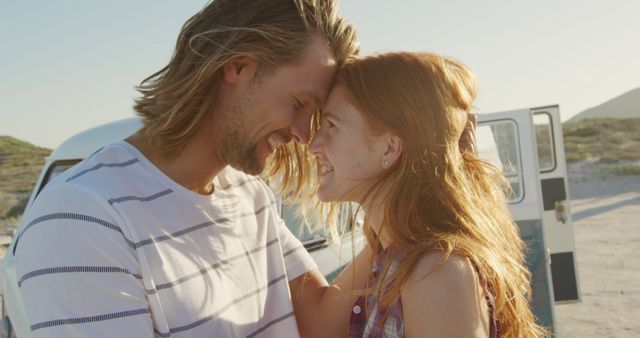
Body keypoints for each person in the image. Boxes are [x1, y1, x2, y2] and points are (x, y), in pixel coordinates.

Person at [14, 0, 362, 337]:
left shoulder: (250, 196)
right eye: (299, 103)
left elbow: (321, 325)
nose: (302, 134)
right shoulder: (82, 216)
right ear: (237, 65)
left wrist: (396, 209)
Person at [308, 52, 549, 337]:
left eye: (332, 126)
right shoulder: (395, 252)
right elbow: (319, 329)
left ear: (389, 148)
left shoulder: (436, 274)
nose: (314, 145)